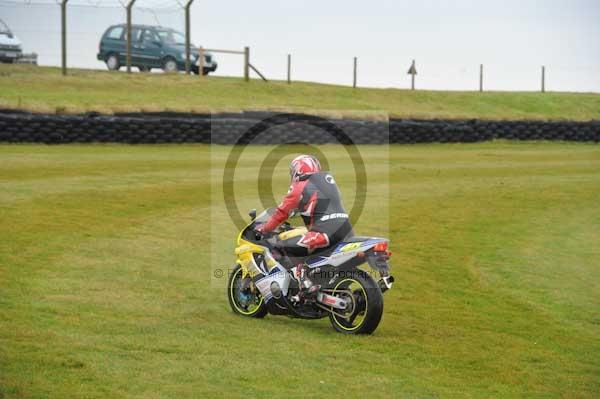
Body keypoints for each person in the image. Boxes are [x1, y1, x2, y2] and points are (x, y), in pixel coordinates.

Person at [255, 154, 353, 296]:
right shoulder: (328, 182)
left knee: (281, 246)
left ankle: (304, 286)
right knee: (315, 256)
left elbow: (282, 212)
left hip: (324, 234)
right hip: (346, 230)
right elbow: (318, 205)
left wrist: (264, 229)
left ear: (298, 171)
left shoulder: (300, 185)